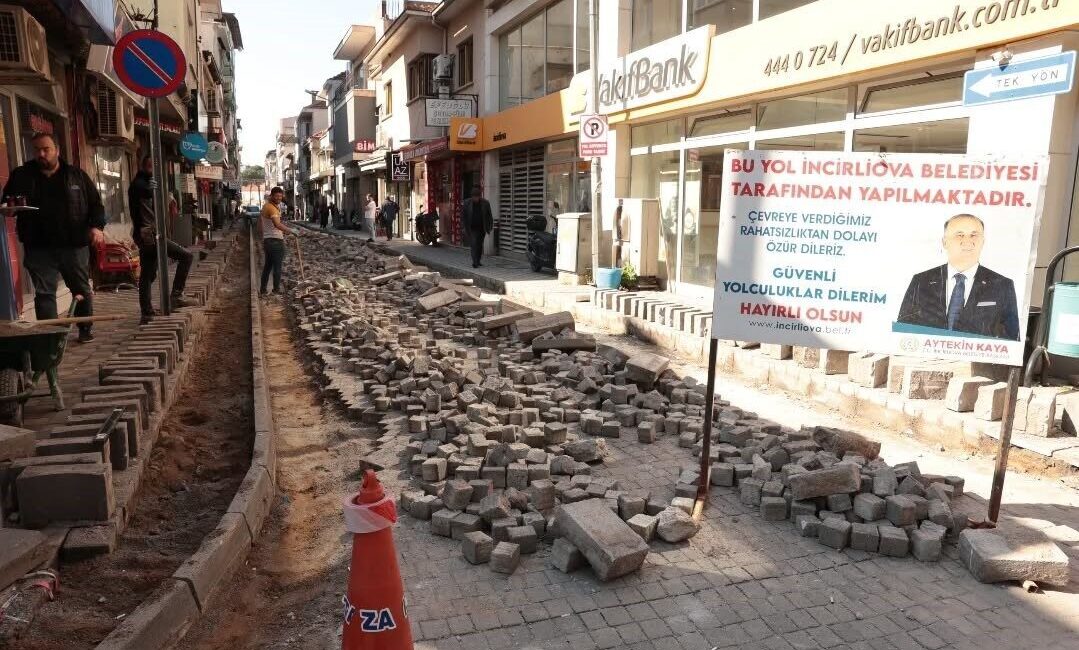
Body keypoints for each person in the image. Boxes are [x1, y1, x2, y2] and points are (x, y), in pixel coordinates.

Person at [1, 133, 104, 342]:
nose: (41, 154)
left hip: (74, 245)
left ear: (57, 150)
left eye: (46, 149)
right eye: (37, 149)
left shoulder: (76, 175)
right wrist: (8, 210)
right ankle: (51, 338)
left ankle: (85, 328)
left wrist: (96, 227)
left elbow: (96, 205)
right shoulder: (22, 175)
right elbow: (7, 202)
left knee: (81, 288)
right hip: (38, 246)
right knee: (44, 293)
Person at [896, 213, 1019, 341]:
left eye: (974, 235)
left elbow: (1011, 339)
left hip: (977, 361)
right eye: (959, 235)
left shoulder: (1002, 285)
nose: (967, 241)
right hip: (926, 360)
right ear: (944, 242)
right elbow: (903, 331)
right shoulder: (921, 281)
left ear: (983, 242)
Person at [128, 156, 195, 325]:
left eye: (155, 167)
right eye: (150, 166)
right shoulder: (139, 184)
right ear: (143, 167)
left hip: (149, 235)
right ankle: (176, 296)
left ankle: (147, 313)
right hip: (148, 236)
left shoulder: (146, 183)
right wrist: (153, 189)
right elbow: (142, 191)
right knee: (186, 256)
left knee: (148, 275)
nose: (152, 170)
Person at [260, 186, 294, 295]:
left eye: (280, 196)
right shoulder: (272, 208)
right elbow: (277, 224)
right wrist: (291, 231)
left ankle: (263, 289)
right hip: (275, 241)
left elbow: (260, 224)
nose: (279, 198)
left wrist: (262, 237)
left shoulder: (266, 206)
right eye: (276, 196)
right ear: (271, 196)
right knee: (277, 267)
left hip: (268, 240)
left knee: (267, 267)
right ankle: (276, 290)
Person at [462, 184, 493, 268]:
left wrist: (490, 226)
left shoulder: (485, 203)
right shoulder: (467, 203)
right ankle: (475, 262)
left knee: (479, 244)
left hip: (482, 227)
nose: (475, 199)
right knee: (473, 244)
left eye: (477, 197)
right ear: (472, 197)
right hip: (471, 227)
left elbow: (489, 215)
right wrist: (464, 227)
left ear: (479, 196)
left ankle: (478, 260)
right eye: (474, 197)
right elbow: (463, 216)